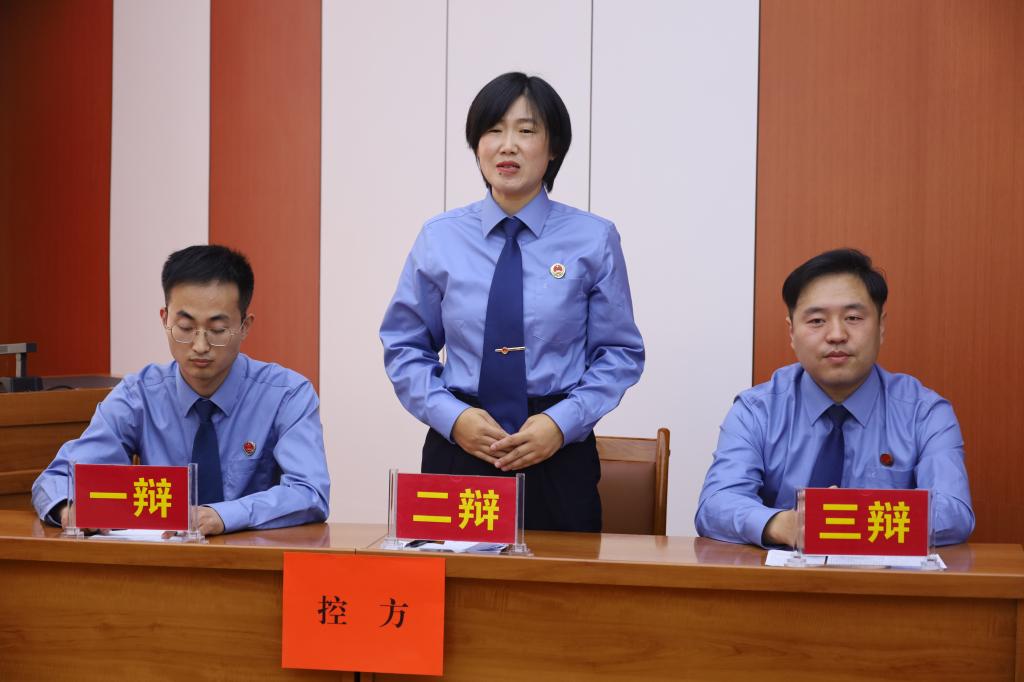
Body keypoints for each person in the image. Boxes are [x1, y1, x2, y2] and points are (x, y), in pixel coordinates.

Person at [380, 72, 644, 531]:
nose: (508, 146)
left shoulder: (593, 238)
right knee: (451, 577)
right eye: (493, 130)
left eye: (526, 130)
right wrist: (453, 417)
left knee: (560, 577)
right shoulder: (440, 238)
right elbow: (404, 346)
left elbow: (619, 354)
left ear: (553, 146)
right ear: (476, 144)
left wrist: (561, 423)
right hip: (460, 444)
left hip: (556, 451)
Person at [32, 245, 330, 536]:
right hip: (161, 560)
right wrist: (69, 508)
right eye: (185, 328)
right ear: (165, 319)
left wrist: (223, 516)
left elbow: (310, 492)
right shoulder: (139, 396)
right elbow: (56, 479)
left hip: (252, 560)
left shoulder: (286, 395)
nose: (200, 346)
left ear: (244, 326)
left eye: (217, 330)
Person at [695, 248, 974, 547]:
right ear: (791, 332)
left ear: (881, 326)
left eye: (853, 317)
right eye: (817, 321)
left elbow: (954, 512)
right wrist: (782, 525)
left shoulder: (925, 413)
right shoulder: (756, 410)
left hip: (886, 576)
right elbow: (716, 504)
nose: (837, 334)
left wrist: (847, 520)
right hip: (782, 575)